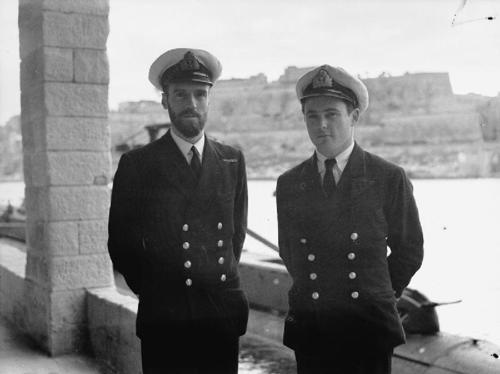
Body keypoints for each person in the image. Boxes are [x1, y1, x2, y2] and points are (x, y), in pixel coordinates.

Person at [108, 48, 249, 374]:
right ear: (165, 100)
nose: (192, 103)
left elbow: (235, 237)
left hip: (220, 314)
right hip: (165, 316)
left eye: (200, 94)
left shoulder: (231, 160)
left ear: (209, 99)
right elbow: (121, 244)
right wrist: (156, 289)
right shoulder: (138, 164)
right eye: (181, 94)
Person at [276, 65, 424, 374]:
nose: (322, 125)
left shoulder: (387, 177)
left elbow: (409, 249)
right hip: (313, 329)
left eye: (332, 114)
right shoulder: (290, 183)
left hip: (367, 330)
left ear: (353, 117)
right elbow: (290, 253)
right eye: (312, 116)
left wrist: (376, 295)